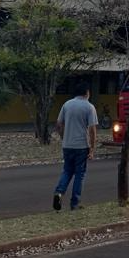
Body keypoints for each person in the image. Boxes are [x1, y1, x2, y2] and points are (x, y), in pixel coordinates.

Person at [53, 81, 98, 211]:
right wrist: (92, 148)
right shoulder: (89, 107)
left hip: (67, 145)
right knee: (80, 174)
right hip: (81, 146)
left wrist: (63, 137)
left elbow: (59, 124)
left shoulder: (66, 104)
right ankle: (75, 203)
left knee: (67, 170)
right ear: (87, 93)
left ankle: (59, 192)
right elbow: (92, 130)